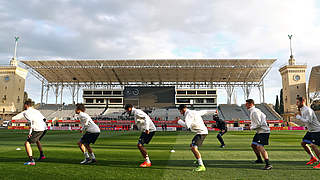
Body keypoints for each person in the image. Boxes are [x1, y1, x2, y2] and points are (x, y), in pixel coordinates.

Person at [174, 104, 208, 172]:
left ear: (183, 109)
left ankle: (201, 165)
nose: (180, 113)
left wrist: (179, 121)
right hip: (200, 132)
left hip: (201, 132)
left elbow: (187, 126)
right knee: (192, 146)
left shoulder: (189, 114)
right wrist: (214, 111)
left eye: (180, 111)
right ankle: (198, 159)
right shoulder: (192, 112)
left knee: (193, 148)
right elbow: (204, 111)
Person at [245, 99, 272, 170]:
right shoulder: (256, 110)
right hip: (260, 131)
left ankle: (268, 164)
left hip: (264, 131)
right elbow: (264, 116)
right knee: (253, 145)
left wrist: (250, 127)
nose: (245, 105)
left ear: (251, 104)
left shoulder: (254, 112)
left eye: (247, 104)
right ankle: (259, 159)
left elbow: (259, 124)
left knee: (260, 147)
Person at [20, 100, 48, 165]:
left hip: (38, 129)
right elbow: (44, 119)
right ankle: (42, 155)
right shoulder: (37, 111)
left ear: (26, 105)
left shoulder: (25, 112)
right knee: (37, 140)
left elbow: (31, 122)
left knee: (27, 143)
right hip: (44, 128)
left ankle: (31, 160)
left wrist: (30, 133)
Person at [295, 97, 320, 169]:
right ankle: (313, 158)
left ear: (302, 102)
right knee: (303, 143)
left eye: (297, 102)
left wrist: (299, 117)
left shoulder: (308, 110)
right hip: (310, 131)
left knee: (313, 145)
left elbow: (308, 121)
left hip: (316, 130)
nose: (296, 104)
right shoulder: (302, 109)